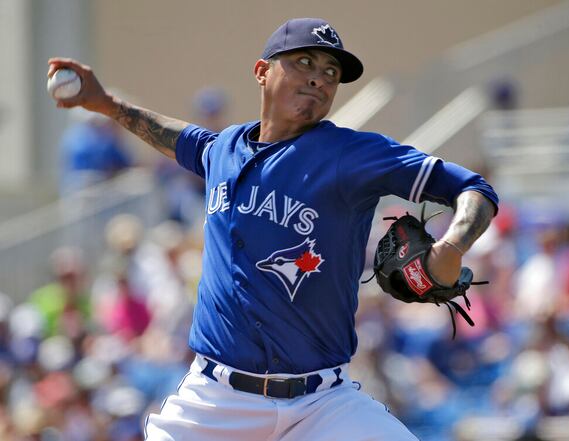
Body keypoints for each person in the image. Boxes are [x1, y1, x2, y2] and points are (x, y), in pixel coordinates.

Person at [48, 17, 498, 441]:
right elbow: (173, 135)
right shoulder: (221, 150)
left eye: (330, 72)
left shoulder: (349, 154)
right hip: (215, 402)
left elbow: (474, 190)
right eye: (304, 61)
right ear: (262, 71)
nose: (319, 77)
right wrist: (104, 104)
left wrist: (452, 246)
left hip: (323, 405)